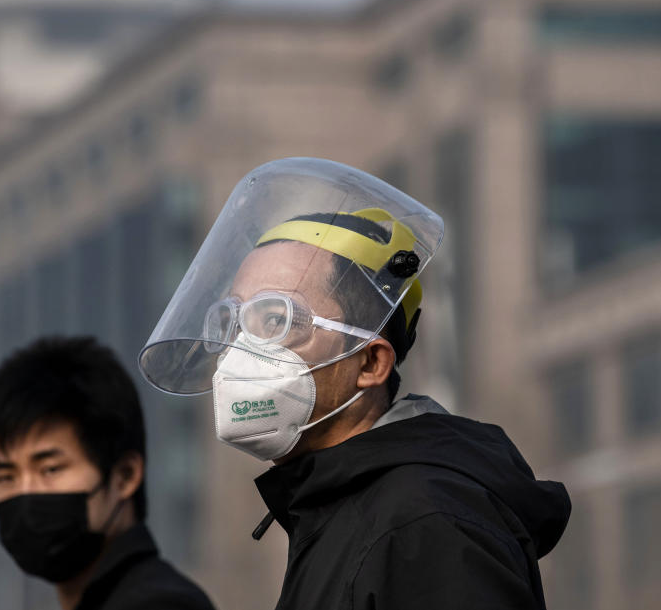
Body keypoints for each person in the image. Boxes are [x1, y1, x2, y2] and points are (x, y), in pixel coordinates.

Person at [140, 157, 571, 609]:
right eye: (233, 323)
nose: (240, 350)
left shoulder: (425, 522)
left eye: (276, 319)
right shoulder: (342, 514)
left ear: (369, 363)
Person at [0, 335, 216, 610]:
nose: (26, 492)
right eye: (6, 477)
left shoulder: (161, 604)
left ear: (125, 476)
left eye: (50, 469)